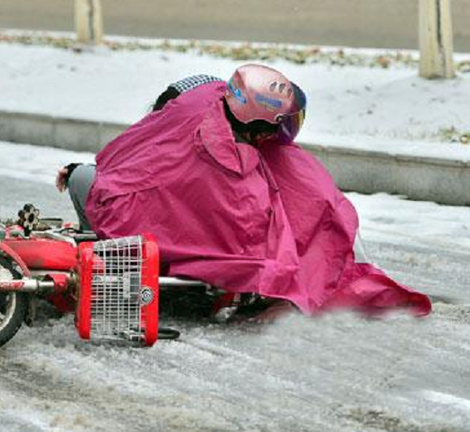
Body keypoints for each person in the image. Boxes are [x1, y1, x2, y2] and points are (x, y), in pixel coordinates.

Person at [56, 64, 432, 319]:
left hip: (134, 225)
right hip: (178, 247)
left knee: (84, 179)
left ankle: (109, 263)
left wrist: (80, 174)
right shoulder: (250, 169)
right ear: (261, 126)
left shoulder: (198, 98)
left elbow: (132, 161)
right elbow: (317, 204)